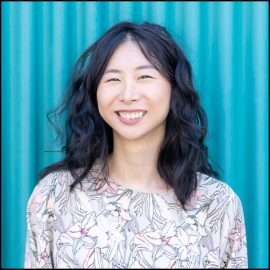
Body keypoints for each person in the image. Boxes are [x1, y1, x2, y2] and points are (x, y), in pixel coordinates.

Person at [24, 21, 248, 268]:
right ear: (95, 92)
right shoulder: (54, 196)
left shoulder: (218, 204)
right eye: (113, 79)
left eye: (144, 76)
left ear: (174, 88)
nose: (128, 94)